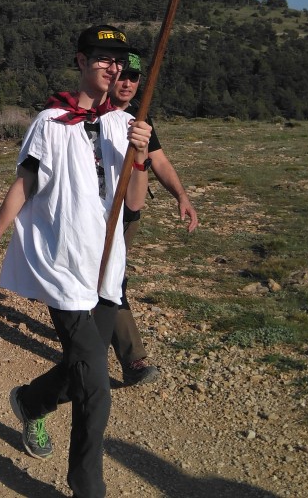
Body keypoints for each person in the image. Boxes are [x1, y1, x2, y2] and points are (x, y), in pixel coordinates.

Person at [0, 24, 152, 498]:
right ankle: (86, 484)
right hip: (63, 266)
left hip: (107, 267)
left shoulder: (123, 125)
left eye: (119, 61)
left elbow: (134, 204)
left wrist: (139, 156)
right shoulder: (50, 123)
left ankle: (31, 401)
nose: (113, 68)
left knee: (81, 366)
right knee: (95, 382)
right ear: (80, 61)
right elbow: (24, 186)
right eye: (102, 58)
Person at [108, 53, 198, 386]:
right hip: (92, 210)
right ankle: (129, 357)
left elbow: (159, 162)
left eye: (135, 78)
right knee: (106, 280)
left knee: (112, 279)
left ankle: (123, 352)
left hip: (128, 213)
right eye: (123, 76)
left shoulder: (139, 119)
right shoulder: (89, 116)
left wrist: (182, 196)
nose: (129, 83)